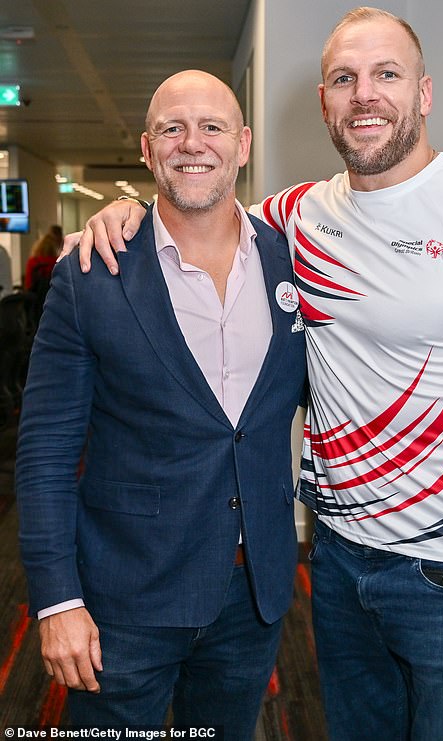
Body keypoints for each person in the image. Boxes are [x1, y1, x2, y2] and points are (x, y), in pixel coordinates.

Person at [63, 8, 443, 740]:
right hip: (337, 563)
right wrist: (124, 214)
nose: (364, 94)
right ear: (325, 100)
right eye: (344, 79)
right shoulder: (297, 215)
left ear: (424, 94)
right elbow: (198, 204)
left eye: (386, 74)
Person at [16, 70, 306, 736]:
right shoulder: (90, 272)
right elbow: (46, 454)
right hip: (123, 600)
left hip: (250, 595)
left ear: (243, 144)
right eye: (172, 128)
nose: (192, 143)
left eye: (211, 127)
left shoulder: (291, 263)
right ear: (147, 150)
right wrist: (57, 598)